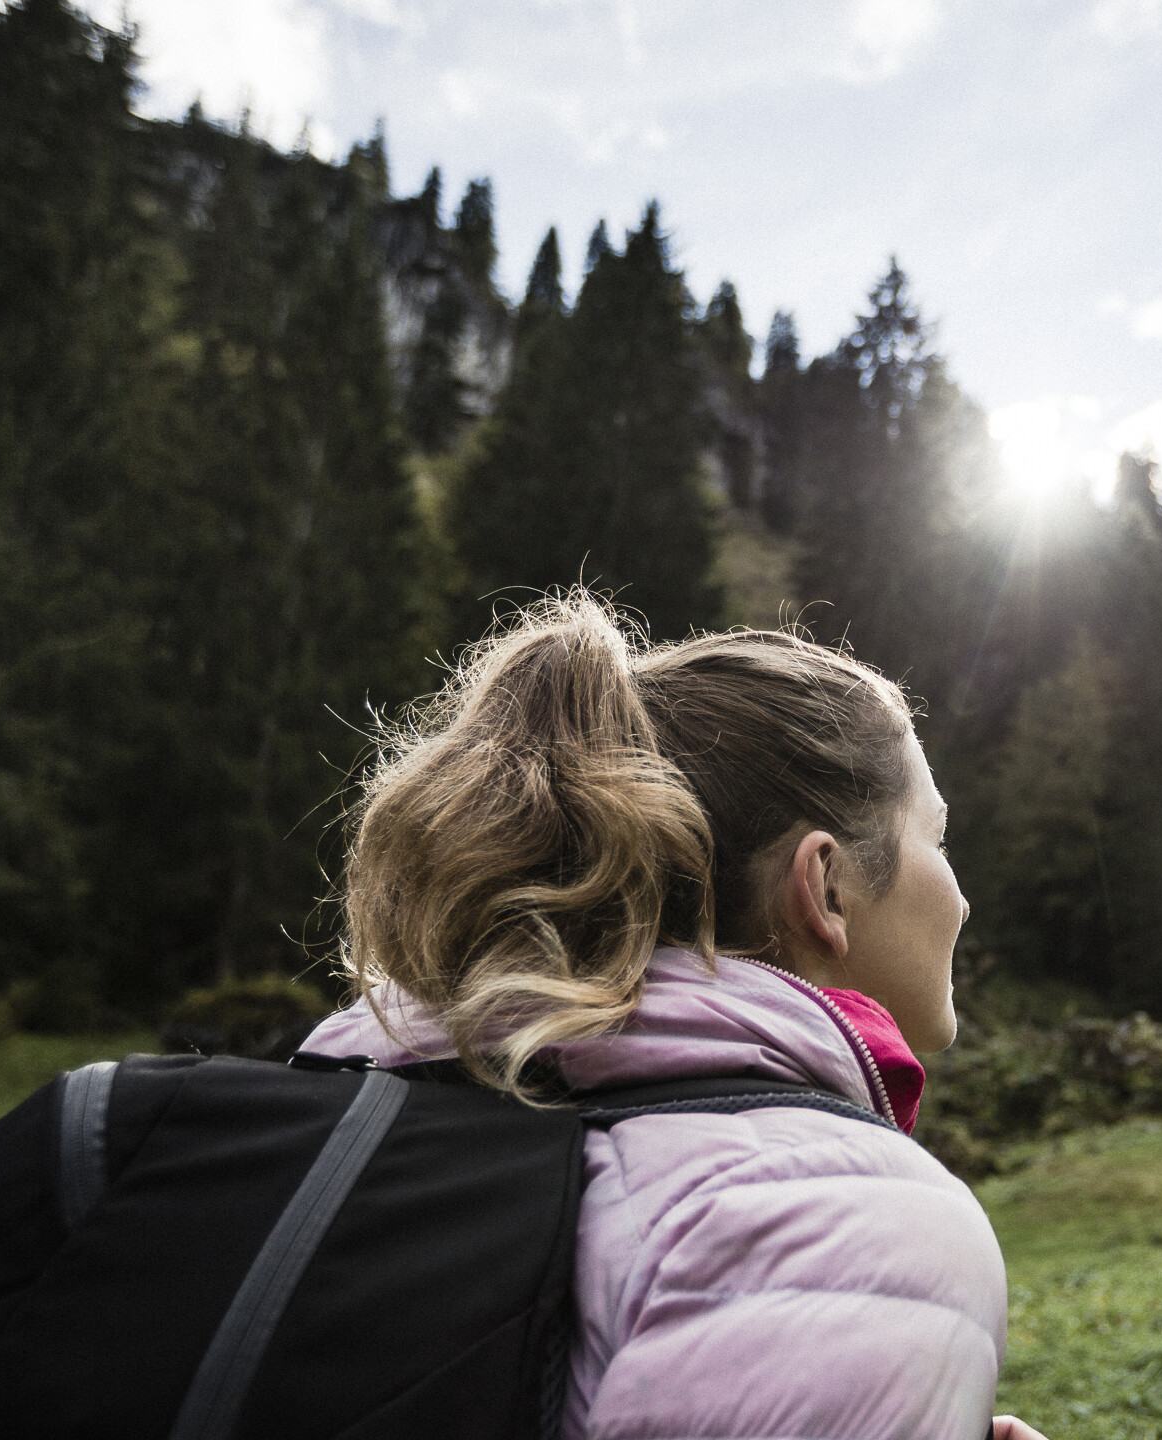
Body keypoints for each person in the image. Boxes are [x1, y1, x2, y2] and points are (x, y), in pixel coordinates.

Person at [301, 592, 1048, 1440]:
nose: (962, 898)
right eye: (937, 838)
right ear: (827, 885)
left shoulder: (339, 1105)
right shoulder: (844, 1229)